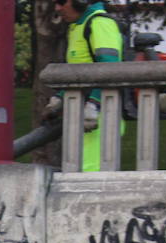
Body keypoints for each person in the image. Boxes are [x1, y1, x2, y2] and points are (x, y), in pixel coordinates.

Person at [45, 0, 124, 172]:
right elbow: (79, 74)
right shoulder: (77, 27)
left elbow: (111, 69)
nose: (58, 8)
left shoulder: (100, 23)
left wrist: (94, 105)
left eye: (61, 2)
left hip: (100, 116)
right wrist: (60, 98)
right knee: (78, 172)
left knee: (91, 176)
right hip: (82, 114)